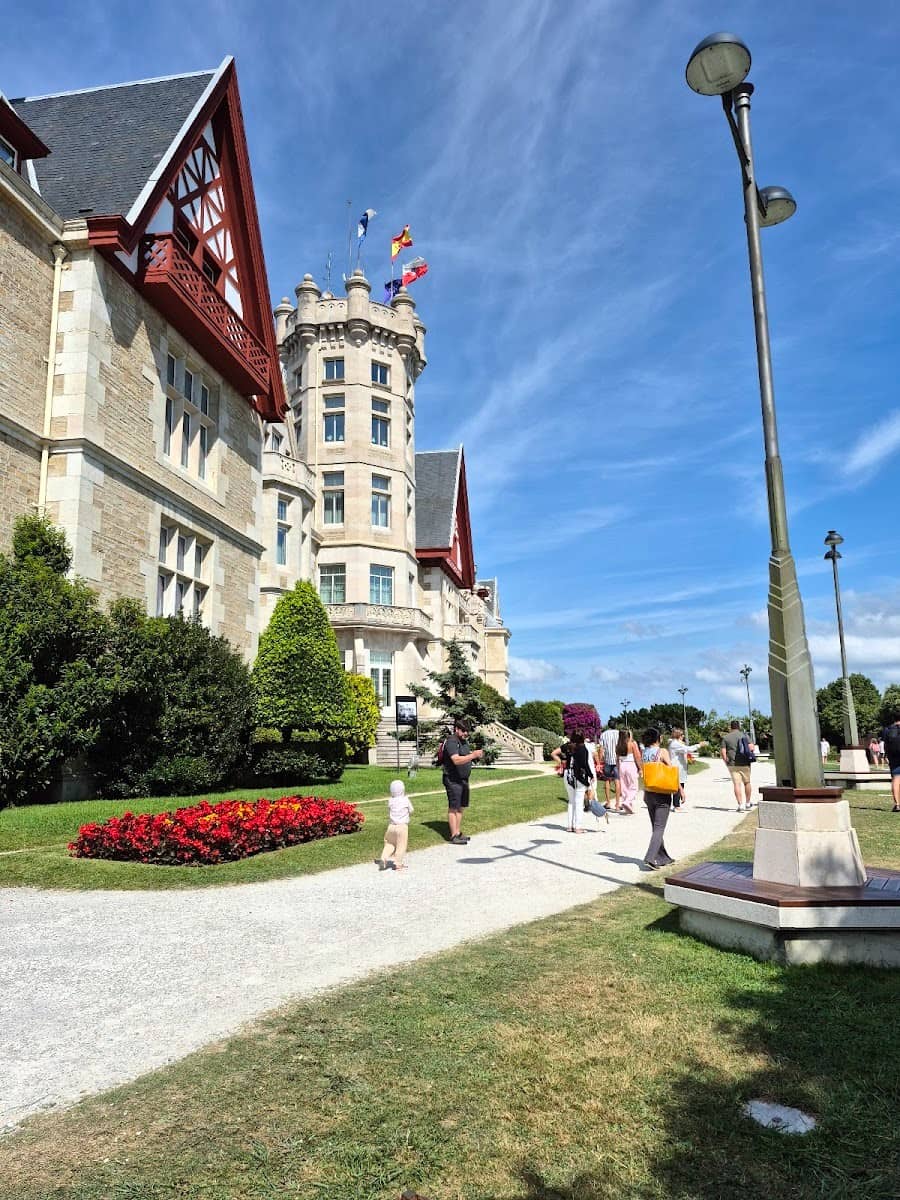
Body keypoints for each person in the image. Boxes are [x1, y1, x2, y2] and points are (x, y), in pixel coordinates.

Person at [442, 718, 483, 844]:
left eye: (467, 731)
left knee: (461, 807)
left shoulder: (464, 742)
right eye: (463, 730)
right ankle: (453, 835)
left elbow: (466, 757)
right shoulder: (452, 741)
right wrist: (473, 755)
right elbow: (456, 760)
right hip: (453, 779)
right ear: (457, 729)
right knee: (453, 807)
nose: (466, 733)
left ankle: (458, 832)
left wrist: (475, 756)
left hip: (463, 779)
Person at [640, 727, 677, 869]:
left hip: (649, 792)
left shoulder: (644, 753)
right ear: (658, 738)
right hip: (662, 792)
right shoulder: (662, 751)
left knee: (655, 826)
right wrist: (680, 790)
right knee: (659, 827)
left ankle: (663, 857)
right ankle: (650, 858)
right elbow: (671, 770)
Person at [552, 731, 593, 833]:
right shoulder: (582, 748)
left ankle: (570, 826)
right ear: (582, 738)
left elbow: (553, 753)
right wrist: (591, 775)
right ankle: (578, 826)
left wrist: (560, 762)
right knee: (579, 802)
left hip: (568, 774)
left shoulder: (567, 746)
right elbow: (585, 764)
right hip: (578, 775)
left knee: (571, 801)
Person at [375, 779, 414, 871]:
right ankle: (398, 864)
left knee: (389, 844)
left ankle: (383, 858)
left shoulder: (390, 800)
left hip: (391, 826)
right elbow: (412, 810)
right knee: (401, 845)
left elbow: (389, 809)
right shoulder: (405, 800)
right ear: (403, 789)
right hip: (402, 827)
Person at [721, 719, 754, 812]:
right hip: (745, 763)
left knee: (736, 784)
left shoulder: (726, 737)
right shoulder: (744, 735)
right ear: (739, 726)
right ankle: (748, 803)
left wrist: (726, 762)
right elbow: (751, 747)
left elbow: (723, 752)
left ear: (730, 727)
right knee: (747, 783)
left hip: (733, 764)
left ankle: (740, 805)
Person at [668, 727, 702, 810]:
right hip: (676, 767)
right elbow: (688, 749)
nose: (683, 736)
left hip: (680, 767)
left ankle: (677, 804)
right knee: (677, 786)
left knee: (680, 784)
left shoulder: (676, 743)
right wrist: (699, 745)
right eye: (682, 734)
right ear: (678, 735)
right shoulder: (675, 744)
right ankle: (676, 805)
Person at [616, 727, 642, 814]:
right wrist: (640, 768)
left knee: (624, 787)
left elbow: (617, 759)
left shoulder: (618, 745)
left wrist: (618, 768)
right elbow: (637, 757)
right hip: (631, 765)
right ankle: (627, 801)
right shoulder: (632, 744)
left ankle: (628, 805)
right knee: (634, 787)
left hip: (622, 765)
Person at [599, 718, 621, 810]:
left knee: (607, 781)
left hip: (607, 760)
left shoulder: (603, 734)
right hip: (617, 760)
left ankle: (608, 803)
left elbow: (601, 749)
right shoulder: (619, 734)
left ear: (608, 725)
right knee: (617, 781)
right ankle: (617, 804)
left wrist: (599, 761)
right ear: (615, 725)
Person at [881, 711, 900, 813]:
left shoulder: (887, 729)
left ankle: (897, 805)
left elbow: (885, 744)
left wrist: (886, 756)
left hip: (894, 757)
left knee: (896, 779)